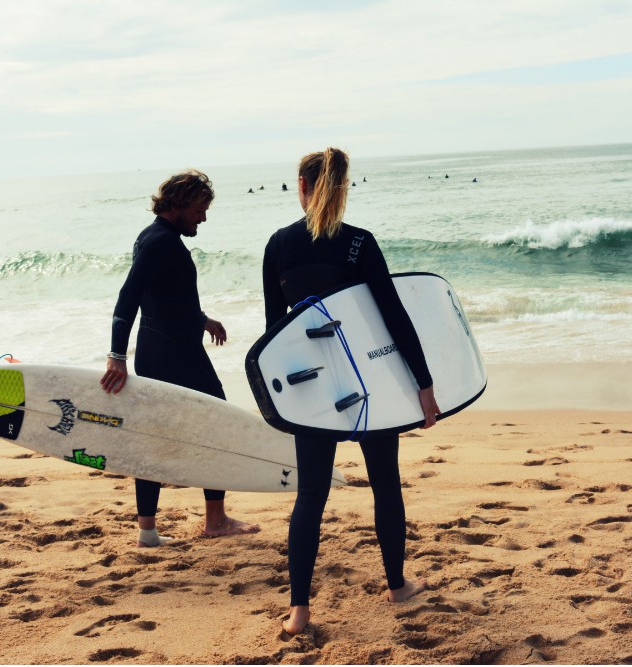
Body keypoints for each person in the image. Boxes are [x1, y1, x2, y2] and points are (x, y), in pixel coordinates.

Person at [262, 147, 440, 635]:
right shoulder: (360, 244)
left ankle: (299, 611)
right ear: (342, 189)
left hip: (312, 389)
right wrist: (424, 385)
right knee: (385, 482)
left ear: (300, 186)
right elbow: (392, 319)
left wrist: (281, 401)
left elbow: (274, 334)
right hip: (369, 385)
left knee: (311, 495)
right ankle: (397, 587)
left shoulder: (277, 245)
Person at [100, 169, 258, 547]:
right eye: (200, 208)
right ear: (180, 203)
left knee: (152, 437)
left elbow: (166, 298)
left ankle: (148, 532)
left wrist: (203, 320)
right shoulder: (161, 242)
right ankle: (215, 520)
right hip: (176, 356)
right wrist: (116, 355)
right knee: (217, 423)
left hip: (163, 351)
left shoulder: (153, 237)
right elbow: (128, 299)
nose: (203, 217)